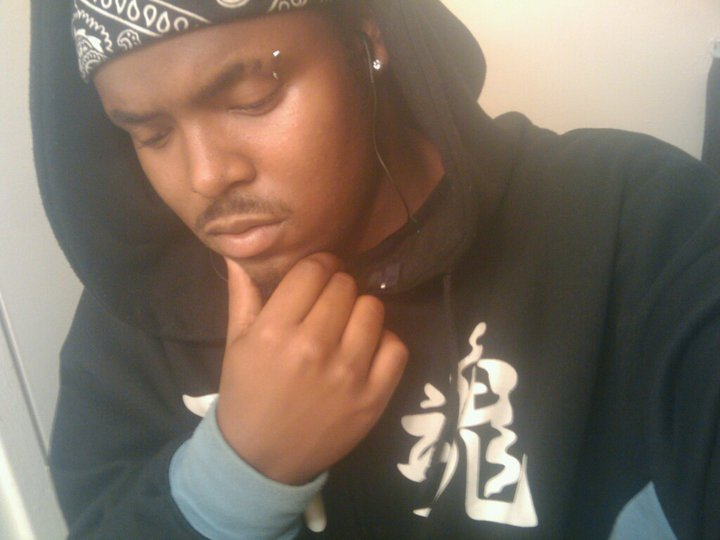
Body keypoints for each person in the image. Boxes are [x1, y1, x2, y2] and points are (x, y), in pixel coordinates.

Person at [30, 0, 720, 538]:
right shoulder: (134, 326)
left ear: (368, 39)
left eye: (253, 97)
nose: (206, 175)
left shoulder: (629, 222)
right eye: (151, 134)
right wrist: (235, 479)